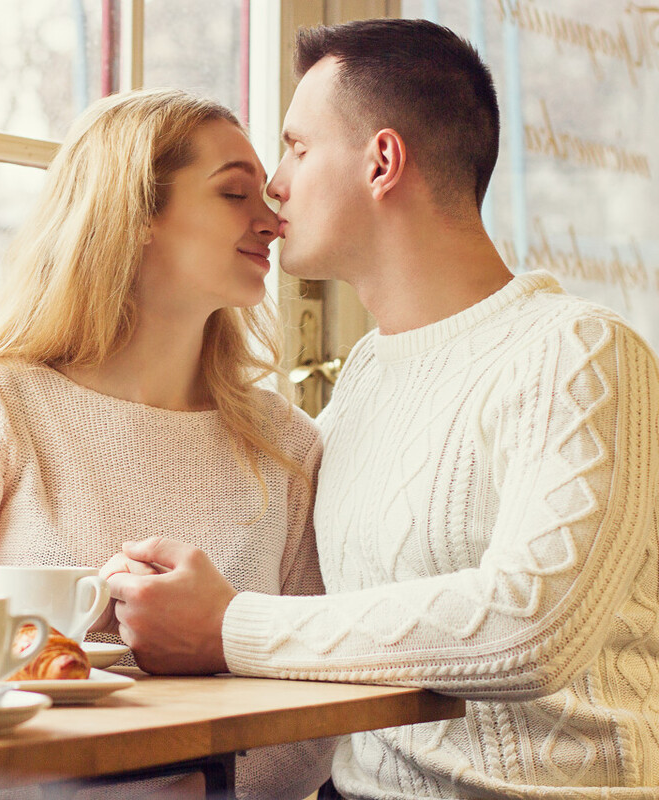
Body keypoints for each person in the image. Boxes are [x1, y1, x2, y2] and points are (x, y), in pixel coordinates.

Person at [105, 18, 659, 799]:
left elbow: (534, 626)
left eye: (298, 148)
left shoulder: (580, 352)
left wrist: (230, 627)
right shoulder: (365, 376)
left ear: (383, 161)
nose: (275, 186)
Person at [0, 87, 335, 798]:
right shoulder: (6, 404)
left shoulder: (286, 443)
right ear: (139, 214)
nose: (271, 220)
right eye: (234, 193)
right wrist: (36, 638)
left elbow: (319, 701)